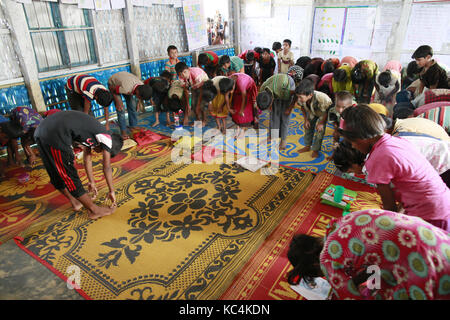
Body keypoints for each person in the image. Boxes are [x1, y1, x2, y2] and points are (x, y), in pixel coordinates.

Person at [287, 209, 450, 300]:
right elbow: (371, 264)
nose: (325, 276)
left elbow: (351, 297)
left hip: (422, 265)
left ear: (315, 265)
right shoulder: (338, 225)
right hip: (437, 241)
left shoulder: (327, 259)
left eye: (319, 274)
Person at [338, 105, 450, 230]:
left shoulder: (378, 157)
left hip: (430, 214)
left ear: (362, 139)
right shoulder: (396, 141)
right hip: (441, 205)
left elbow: (389, 209)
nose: (353, 146)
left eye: (352, 142)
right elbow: (408, 187)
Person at [34, 111, 123, 220]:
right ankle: (94, 210)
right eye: (101, 151)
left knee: (55, 172)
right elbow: (107, 167)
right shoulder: (107, 139)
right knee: (69, 175)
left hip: (42, 131)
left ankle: (75, 201)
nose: (98, 151)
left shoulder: (94, 132)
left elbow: (87, 157)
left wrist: (92, 182)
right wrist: (111, 191)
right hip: (55, 134)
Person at [257, 72, 298, 150]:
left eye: (269, 106)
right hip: (276, 87)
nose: (269, 108)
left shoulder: (286, 91)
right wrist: (270, 107)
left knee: (285, 117)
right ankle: (272, 136)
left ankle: (283, 142)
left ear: (272, 100)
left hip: (287, 85)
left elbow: (295, 94)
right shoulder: (263, 89)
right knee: (274, 115)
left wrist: (290, 108)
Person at [108, 71, 153, 140]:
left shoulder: (141, 85)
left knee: (132, 106)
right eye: (140, 98)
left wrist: (138, 103)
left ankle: (133, 125)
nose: (140, 99)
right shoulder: (126, 89)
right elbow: (111, 88)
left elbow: (137, 96)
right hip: (113, 83)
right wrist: (118, 101)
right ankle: (123, 132)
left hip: (125, 82)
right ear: (137, 92)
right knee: (121, 109)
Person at [296, 79, 333, 158]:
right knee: (307, 127)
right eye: (298, 97)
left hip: (323, 113)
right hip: (312, 111)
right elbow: (302, 107)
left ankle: (316, 150)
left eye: (300, 97)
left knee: (320, 130)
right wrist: (305, 120)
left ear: (310, 95)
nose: (298, 99)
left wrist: (322, 123)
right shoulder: (301, 97)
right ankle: (307, 146)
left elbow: (328, 110)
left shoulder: (322, 98)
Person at [175, 61, 209, 127]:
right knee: (193, 104)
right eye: (181, 74)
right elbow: (186, 90)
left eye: (185, 72)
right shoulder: (180, 77)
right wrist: (188, 105)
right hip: (194, 86)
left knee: (201, 104)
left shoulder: (196, 74)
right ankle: (198, 120)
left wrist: (198, 104)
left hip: (204, 86)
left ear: (188, 69)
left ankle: (204, 121)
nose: (183, 75)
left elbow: (201, 90)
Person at [228, 72, 258, 138]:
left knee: (245, 112)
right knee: (236, 109)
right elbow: (226, 95)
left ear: (233, 85)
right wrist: (229, 108)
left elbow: (245, 99)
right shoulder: (228, 81)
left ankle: (243, 131)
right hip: (238, 91)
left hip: (248, 89)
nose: (230, 92)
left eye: (231, 90)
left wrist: (242, 110)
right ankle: (238, 129)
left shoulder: (241, 84)